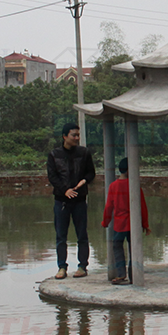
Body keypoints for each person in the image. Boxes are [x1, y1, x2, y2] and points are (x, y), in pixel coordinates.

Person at [46, 122, 95, 279]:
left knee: (82, 234)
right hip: (62, 201)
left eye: (78, 135)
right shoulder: (54, 155)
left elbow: (91, 173)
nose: (76, 138)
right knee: (61, 236)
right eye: (74, 135)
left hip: (80, 200)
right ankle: (62, 267)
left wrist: (83, 182)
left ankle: (82, 266)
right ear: (65, 136)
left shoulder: (84, 153)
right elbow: (52, 176)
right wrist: (65, 190)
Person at [102, 158, 151, 285]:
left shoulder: (113, 186)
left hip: (119, 224)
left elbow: (108, 207)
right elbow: (142, 207)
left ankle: (121, 274)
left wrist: (105, 222)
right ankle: (133, 274)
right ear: (130, 170)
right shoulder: (134, 186)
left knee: (117, 247)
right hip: (133, 224)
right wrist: (145, 224)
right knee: (133, 249)